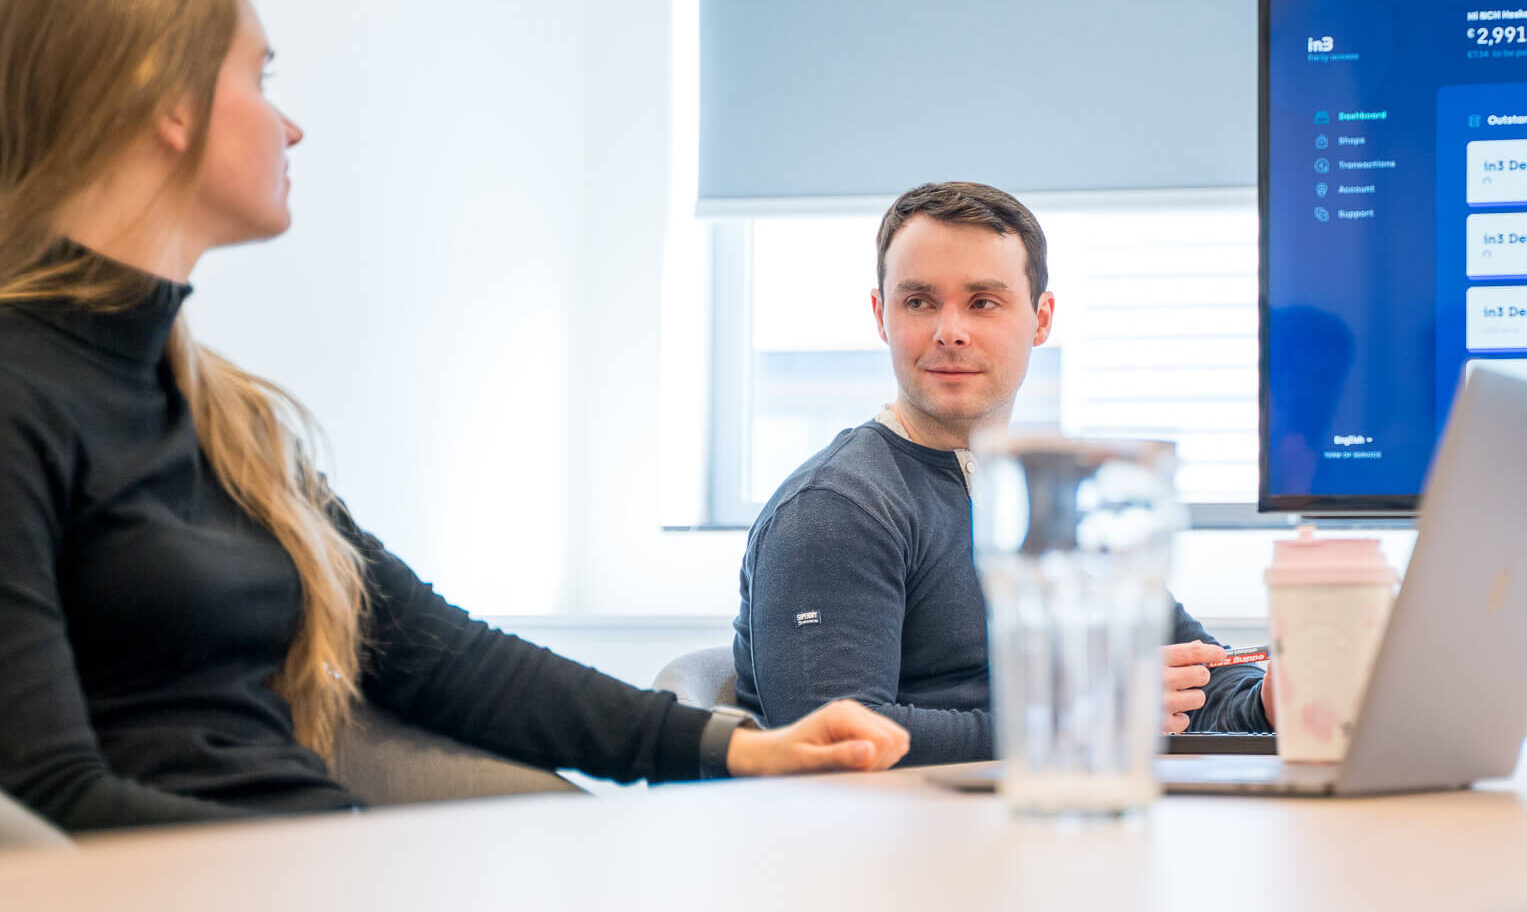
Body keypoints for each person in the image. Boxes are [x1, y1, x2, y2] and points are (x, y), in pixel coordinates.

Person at [0, 0, 910, 834]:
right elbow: (47, 796)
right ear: (167, 102)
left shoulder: (226, 417)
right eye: (260, 78)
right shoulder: (20, 398)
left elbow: (443, 658)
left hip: (310, 882)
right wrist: (345, 868)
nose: (291, 126)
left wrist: (738, 748)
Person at [734, 182, 1273, 766]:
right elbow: (837, 745)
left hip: (1048, 812)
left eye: (983, 302)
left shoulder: (1048, 500)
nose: (950, 331)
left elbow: (1194, 678)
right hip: (906, 824)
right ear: (881, 316)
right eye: (918, 302)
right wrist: (1082, 716)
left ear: (1041, 319)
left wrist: (1269, 701)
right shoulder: (835, 509)